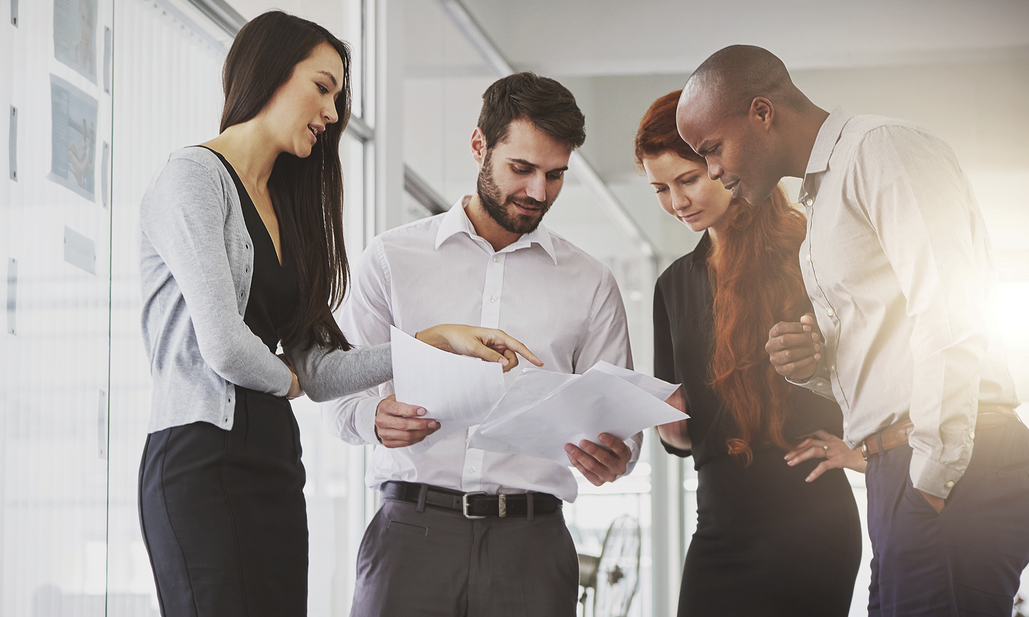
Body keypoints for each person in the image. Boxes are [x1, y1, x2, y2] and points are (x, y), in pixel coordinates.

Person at [136, 12, 540, 617]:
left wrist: (429, 343)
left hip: (271, 456)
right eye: (322, 87)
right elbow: (222, 345)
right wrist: (289, 381)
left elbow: (319, 370)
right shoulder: (192, 178)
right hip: (199, 454)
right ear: (269, 71)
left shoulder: (287, 206)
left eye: (338, 96)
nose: (331, 111)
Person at [677, 44, 1029, 617]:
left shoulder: (880, 150)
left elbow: (950, 306)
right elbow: (881, 355)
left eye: (712, 149)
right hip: (900, 468)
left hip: (946, 459)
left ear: (762, 112)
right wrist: (814, 365)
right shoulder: (824, 196)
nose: (712, 171)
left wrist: (933, 478)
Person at [325, 72, 640, 616]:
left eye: (556, 175)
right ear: (480, 146)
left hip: (533, 548)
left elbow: (620, 426)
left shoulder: (590, 282)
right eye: (522, 169)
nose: (539, 192)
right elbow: (337, 393)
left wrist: (617, 456)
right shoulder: (392, 259)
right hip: (410, 537)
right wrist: (373, 419)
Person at [637, 89, 861, 616]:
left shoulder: (809, 253)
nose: (676, 202)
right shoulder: (672, 286)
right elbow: (686, 431)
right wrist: (670, 429)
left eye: (687, 179)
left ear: (722, 163)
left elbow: (871, 371)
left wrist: (860, 450)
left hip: (808, 523)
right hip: (717, 523)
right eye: (660, 189)